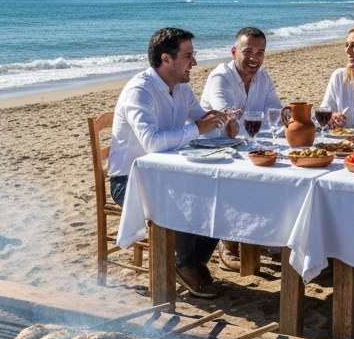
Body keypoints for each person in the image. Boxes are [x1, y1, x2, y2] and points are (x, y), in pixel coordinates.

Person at [108, 27, 236, 299]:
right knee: (187, 197)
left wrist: (223, 123)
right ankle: (183, 262)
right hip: (130, 181)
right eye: (188, 56)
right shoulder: (139, 91)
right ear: (166, 59)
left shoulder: (181, 89)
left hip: (170, 174)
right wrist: (199, 128)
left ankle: (191, 260)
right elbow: (152, 143)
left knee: (220, 191)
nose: (195, 63)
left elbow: (203, 122)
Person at [201, 26, 283, 271]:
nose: (254, 58)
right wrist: (252, 124)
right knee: (234, 181)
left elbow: (276, 114)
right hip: (213, 149)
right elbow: (228, 122)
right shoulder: (221, 77)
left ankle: (257, 236)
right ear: (234, 51)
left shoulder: (263, 77)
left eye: (260, 52)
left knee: (275, 174)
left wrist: (267, 123)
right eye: (248, 51)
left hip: (246, 146)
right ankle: (228, 244)